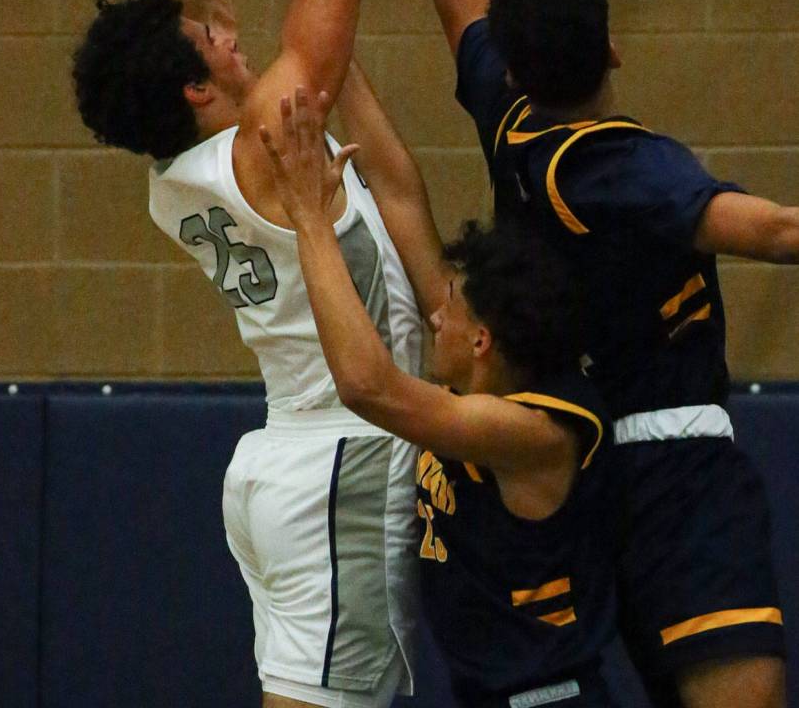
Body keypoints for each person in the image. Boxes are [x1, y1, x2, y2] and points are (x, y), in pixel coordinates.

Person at [239, 0, 799, 708]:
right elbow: (781, 231)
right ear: (614, 50)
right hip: (671, 456)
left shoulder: (508, 114)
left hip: (569, 461)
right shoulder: (624, 170)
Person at [69, 0, 423, 708]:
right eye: (210, 39)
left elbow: (202, 7)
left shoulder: (181, 174)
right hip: (343, 459)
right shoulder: (266, 140)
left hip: (284, 462)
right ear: (197, 88)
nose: (229, 34)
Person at [260, 79, 619, 708]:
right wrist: (335, 66)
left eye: (447, 307)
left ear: (481, 340)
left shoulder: (537, 431)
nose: (433, 314)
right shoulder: (485, 369)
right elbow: (397, 192)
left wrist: (309, 219)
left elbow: (368, 387)